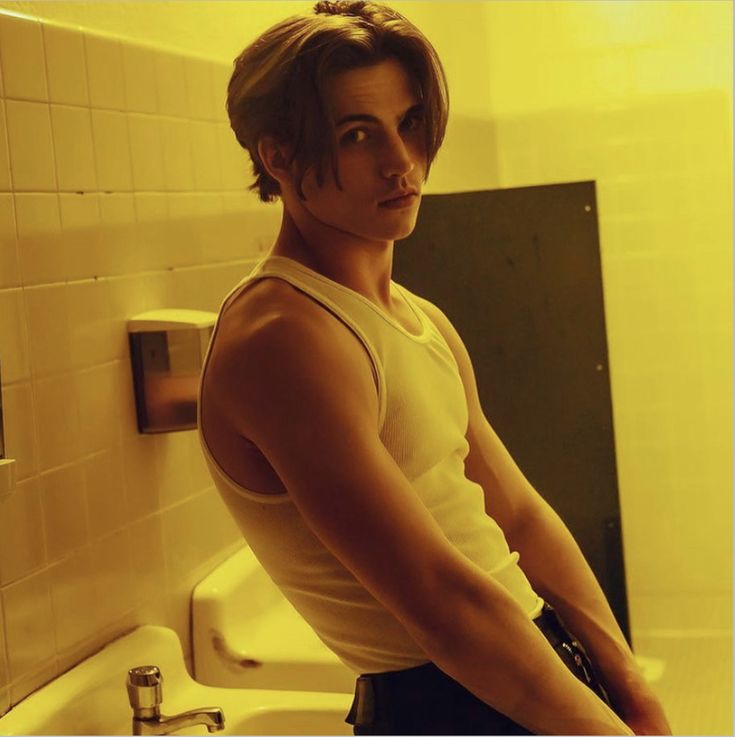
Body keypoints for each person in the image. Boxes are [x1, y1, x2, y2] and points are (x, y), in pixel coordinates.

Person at [197, 1, 673, 734]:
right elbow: (443, 604)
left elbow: (518, 514)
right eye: (358, 135)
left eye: (410, 122)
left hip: (532, 668)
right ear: (279, 158)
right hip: (453, 701)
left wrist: (632, 691)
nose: (401, 162)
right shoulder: (283, 336)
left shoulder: (416, 318)